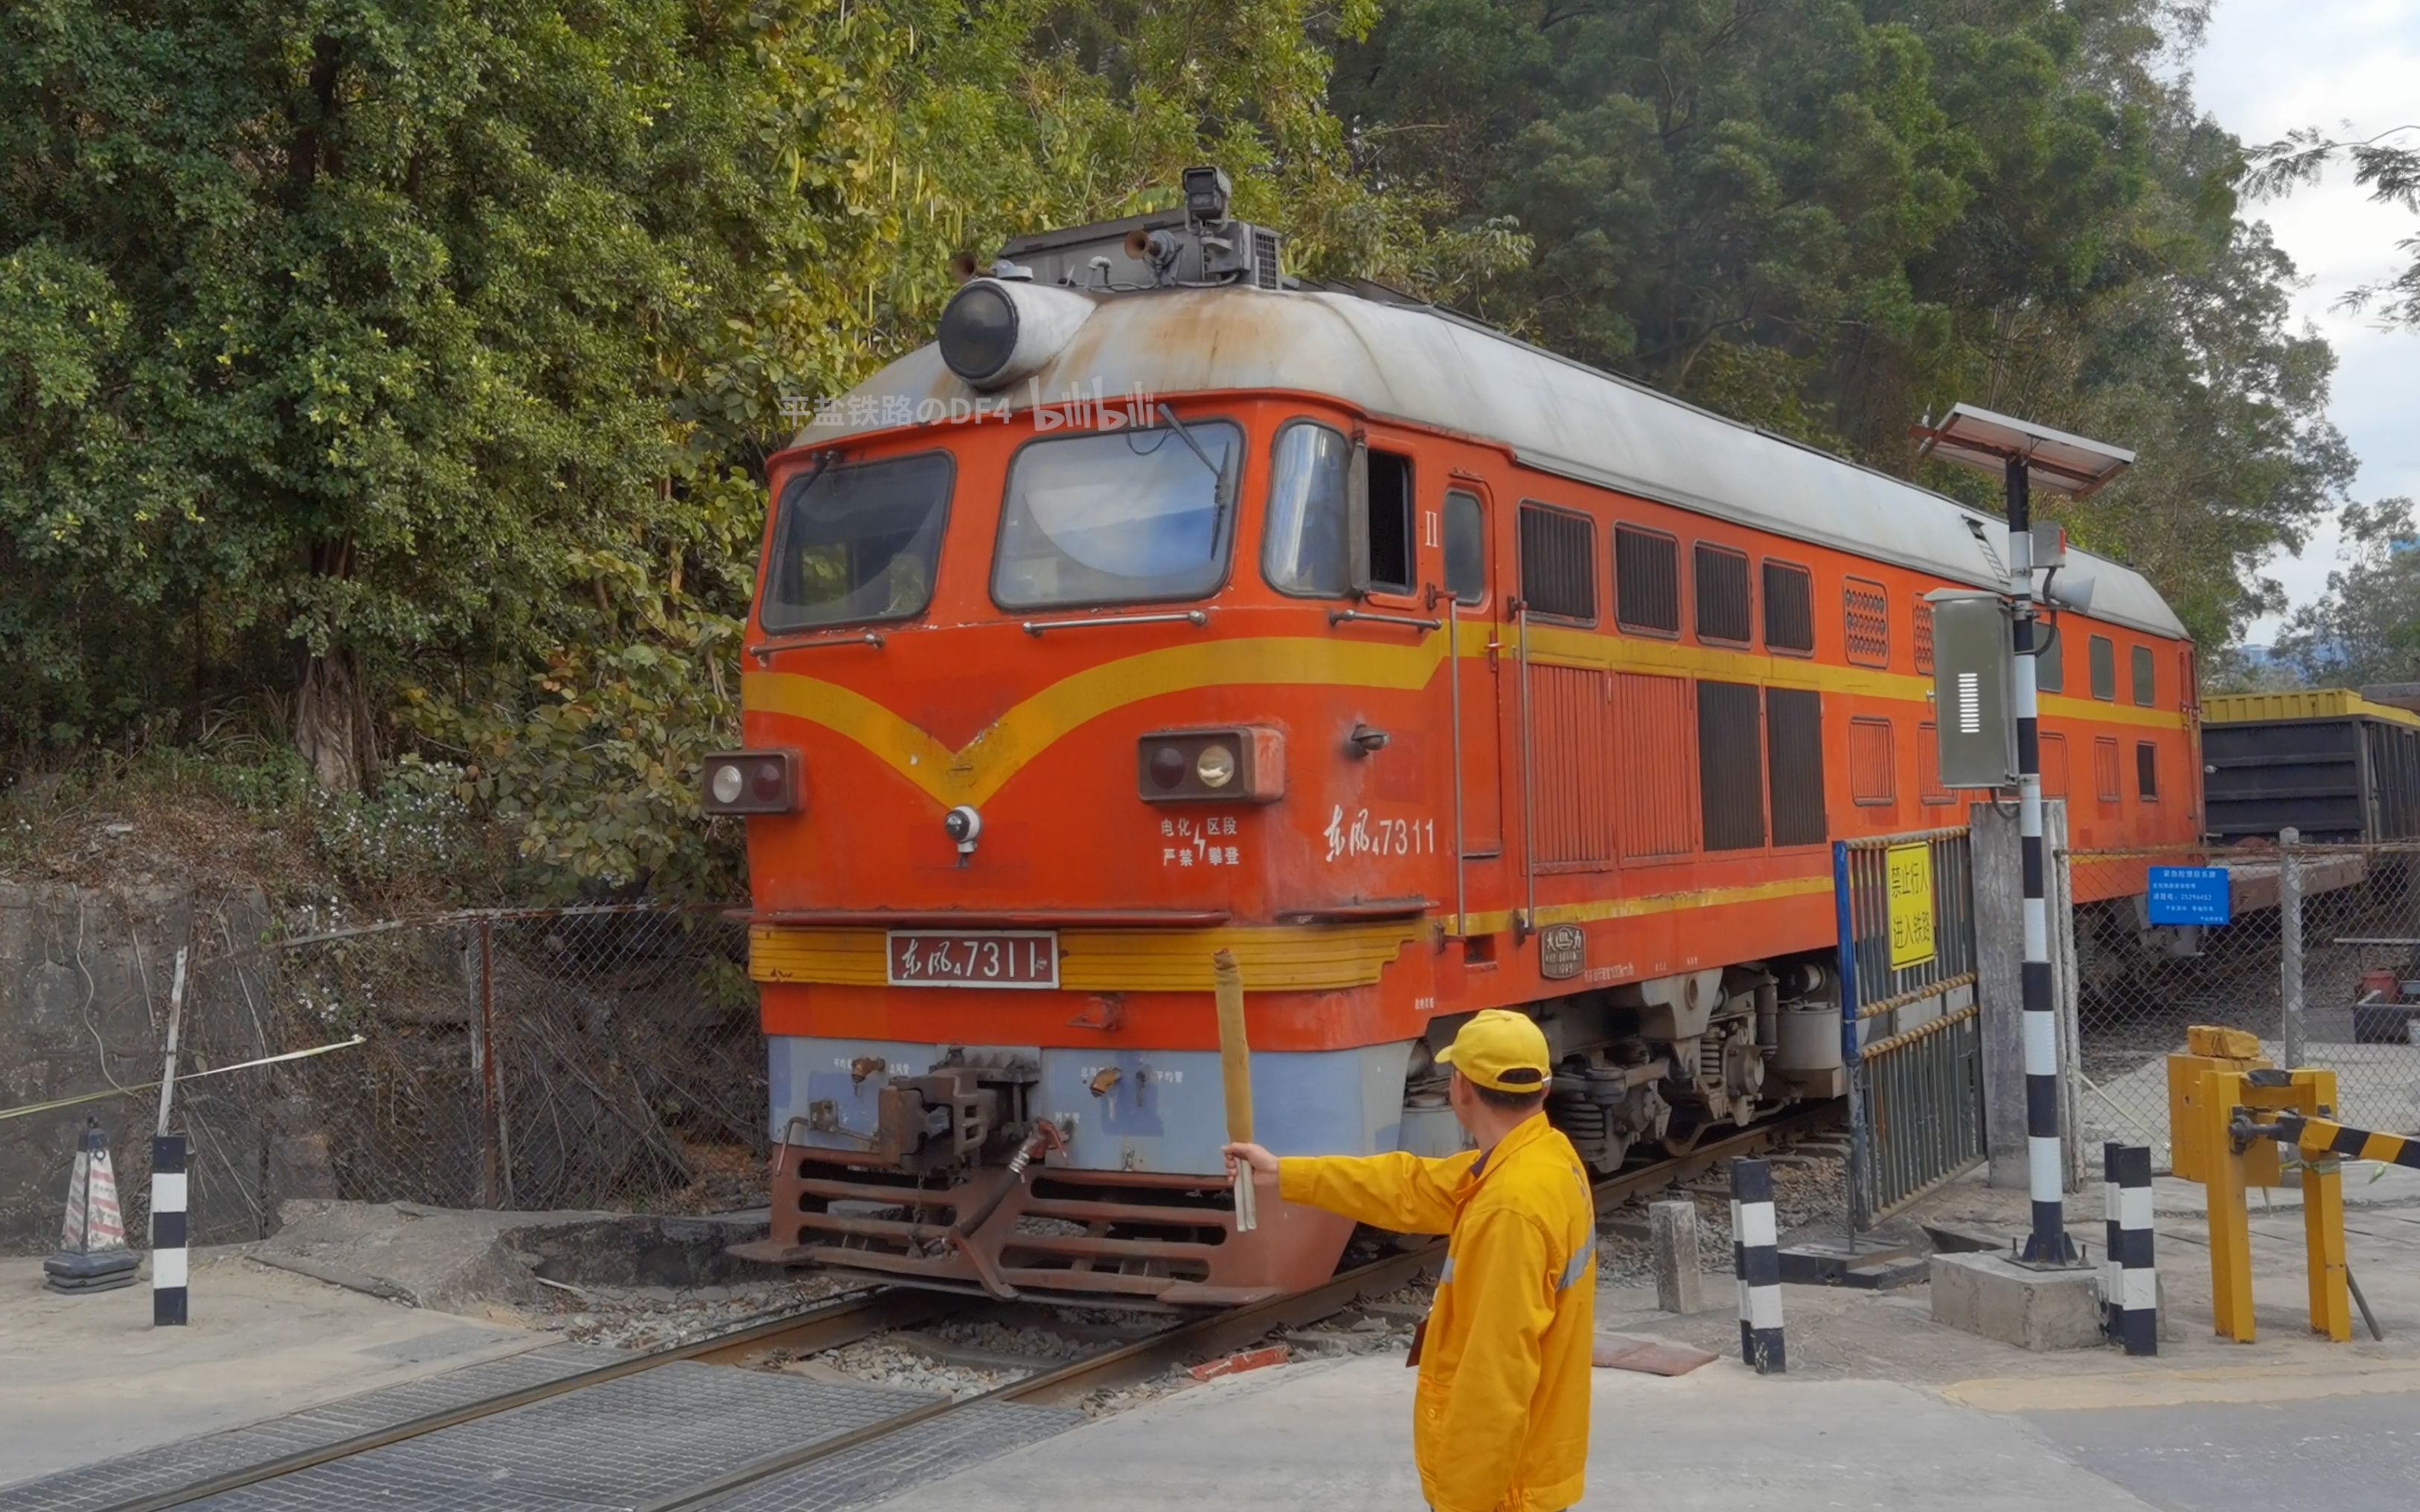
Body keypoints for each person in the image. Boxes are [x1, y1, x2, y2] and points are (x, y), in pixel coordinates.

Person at [1223, 1008, 1595, 1512]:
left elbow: (1495, 1379)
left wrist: (1465, 1504)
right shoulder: (1544, 1160)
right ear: (1542, 1089)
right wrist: (1283, 1174)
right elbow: (1408, 1186)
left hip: (1504, 1486)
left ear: (1460, 1088)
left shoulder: (1509, 1208)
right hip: (1528, 1464)